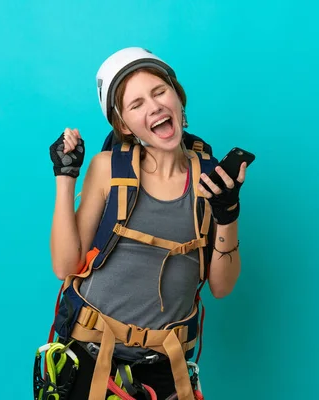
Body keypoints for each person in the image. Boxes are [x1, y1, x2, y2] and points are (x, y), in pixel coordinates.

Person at [47, 47, 248, 400]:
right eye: (136, 103)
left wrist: (227, 213)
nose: (153, 106)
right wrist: (66, 177)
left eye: (159, 92)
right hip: (89, 357)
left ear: (178, 99)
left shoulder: (211, 180)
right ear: (124, 124)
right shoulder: (107, 169)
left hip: (164, 369)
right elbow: (65, 266)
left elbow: (221, 286)